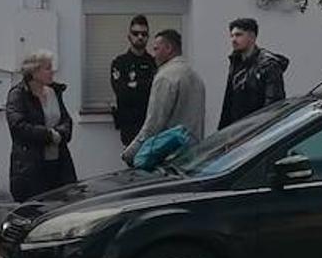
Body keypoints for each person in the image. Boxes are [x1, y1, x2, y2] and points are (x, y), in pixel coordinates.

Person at [122, 29, 206, 166]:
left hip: (168, 159)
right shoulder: (195, 76)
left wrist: (131, 152)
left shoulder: (165, 77)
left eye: (156, 49)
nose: (153, 54)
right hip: (192, 157)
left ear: (168, 48)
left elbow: (154, 124)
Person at [6, 50, 77, 202]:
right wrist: (49, 135)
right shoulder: (18, 95)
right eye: (48, 68)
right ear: (34, 71)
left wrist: (61, 133)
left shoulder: (54, 92)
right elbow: (18, 126)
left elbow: (66, 120)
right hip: (31, 165)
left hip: (59, 163)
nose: (52, 71)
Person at [218, 17, 289, 129]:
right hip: (237, 128)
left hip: (256, 129)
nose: (233, 39)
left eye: (238, 35)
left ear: (252, 37)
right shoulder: (236, 62)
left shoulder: (268, 65)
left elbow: (273, 103)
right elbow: (229, 102)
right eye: (232, 36)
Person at [110, 15, 157, 147]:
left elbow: (157, 93)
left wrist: (134, 86)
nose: (140, 37)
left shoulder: (154, 63)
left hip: (151, 127)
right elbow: (122, 92)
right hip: (130, 128)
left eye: (144, 34)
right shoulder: (120, 63)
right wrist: (145, 85)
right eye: (135, 33)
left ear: (148, 37)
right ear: (129, 36)